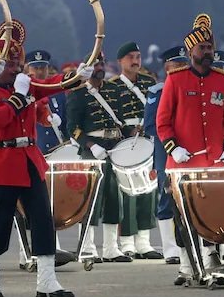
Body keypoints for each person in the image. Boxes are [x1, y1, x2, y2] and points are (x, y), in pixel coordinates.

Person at [0, 22, 88, 297]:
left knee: (42, 219)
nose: (17, 68)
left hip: (29, 159)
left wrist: (74, 78)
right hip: (3, 159)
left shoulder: (25, 85)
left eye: (18, 63)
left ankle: (46, 281)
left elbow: (50, 85)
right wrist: (18, 96)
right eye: (11, 64)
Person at [155, 14, 224, 285]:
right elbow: (162, 122)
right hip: (182, 163)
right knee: (184, 217)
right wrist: (173, 148)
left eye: (210, 48)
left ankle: (211, 262)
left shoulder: (223, 80)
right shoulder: (176, 80)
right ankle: (185, 266)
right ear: (191, 51)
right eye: (202, 48)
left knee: (212, 215)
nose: (207, 53)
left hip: (214, 162)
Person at [66, 52, 137, 263]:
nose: (99, 66)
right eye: (95, 63)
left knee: (115, 198)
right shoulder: (78, 93)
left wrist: (133, 133)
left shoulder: (114, 90)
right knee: (91, 200)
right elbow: (73, 129)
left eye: (102, 62)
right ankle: (88, 247)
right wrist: (91, 145)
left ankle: (111, 248)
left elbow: (121, 121)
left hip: (115, 147)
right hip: (92, 149)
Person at [112, 42, 161, 259]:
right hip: (124, 141)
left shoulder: (150, 83)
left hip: (147, 139)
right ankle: (127, 242)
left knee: (149, 190)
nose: (135, 61)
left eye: (138, 56)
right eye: (130, 57)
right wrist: (127, 130)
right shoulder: (112, 86)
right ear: (120, 61)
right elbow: (109, 116)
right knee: (127, 192)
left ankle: (144, 241)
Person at [142, 46, 188, 265]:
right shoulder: (157, 91)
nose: (180, 68)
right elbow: (151, 125)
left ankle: (188, 243)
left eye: (183, 64)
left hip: (190, 147)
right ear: (167, 67)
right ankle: (170, 248)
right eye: (176, 65)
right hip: (165, 149)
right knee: (166, 195)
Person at [28, 50, 65, 154]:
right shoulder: (24, 91)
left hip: (56, 148)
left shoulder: (57, 92)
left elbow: (66, 121)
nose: (39, 72)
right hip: (34, 148)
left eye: (43, 68)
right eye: (36, 68)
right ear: (28, 69)